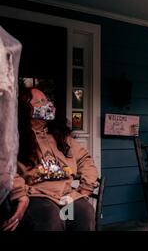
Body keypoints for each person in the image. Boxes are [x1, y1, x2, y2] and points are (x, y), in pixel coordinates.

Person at [1, 87, 98, 231]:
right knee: (51, 217)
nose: (49, 105)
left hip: (65, 196)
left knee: (84, 213)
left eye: (47, 100)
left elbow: (85, 159)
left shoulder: (61, 135)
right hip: (36, 195)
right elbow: (6, 169)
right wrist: (20, 196)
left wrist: (85, 189)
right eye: (41, 101)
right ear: (26, 109)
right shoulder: (14, 138)